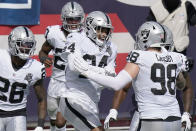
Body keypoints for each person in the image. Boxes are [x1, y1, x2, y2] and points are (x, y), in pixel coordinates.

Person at [72, 21, 192, 131]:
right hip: (175, 120)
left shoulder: (140, 56)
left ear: (146, 38)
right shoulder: (177, 58)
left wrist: (87, 72)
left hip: (151, 119)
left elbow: (117, 83)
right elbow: (182, 85)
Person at [58, 11, 117, 131]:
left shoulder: (111, 48)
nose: (104, 34)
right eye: (101, 29)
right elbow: (74, 66)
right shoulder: (76, 38)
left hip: (93, 102)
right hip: (74, 97)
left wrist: (87, 68)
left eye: (106, 30)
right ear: (90, 27)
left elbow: (111, 78)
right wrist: (102, 71)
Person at [147, 0, 194, 128]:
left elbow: (194, 21)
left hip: (179, 54)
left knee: (185, 85)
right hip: (160, 54)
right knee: (159, 86)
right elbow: (148, 32)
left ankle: (186, 115)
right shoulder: (155, 9)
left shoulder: (186, 5)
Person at [38, 2, 85, 131]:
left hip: (73, 83)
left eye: (76, 19)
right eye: (70, 19)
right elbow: (42, 51)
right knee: (53, 117)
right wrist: (44, 58)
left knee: (60, 120)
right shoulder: (54, 33)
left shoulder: (85, 36)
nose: (74, 22)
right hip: (55, 81)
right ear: (63, 18)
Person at [0, 26, 47, 131]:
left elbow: (41, 99)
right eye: (23, 44)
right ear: (13, 43)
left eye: (29, 44)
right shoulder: (2, 57)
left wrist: (40, 125)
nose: (26, 48)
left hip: (17, 113)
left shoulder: (36, 68)